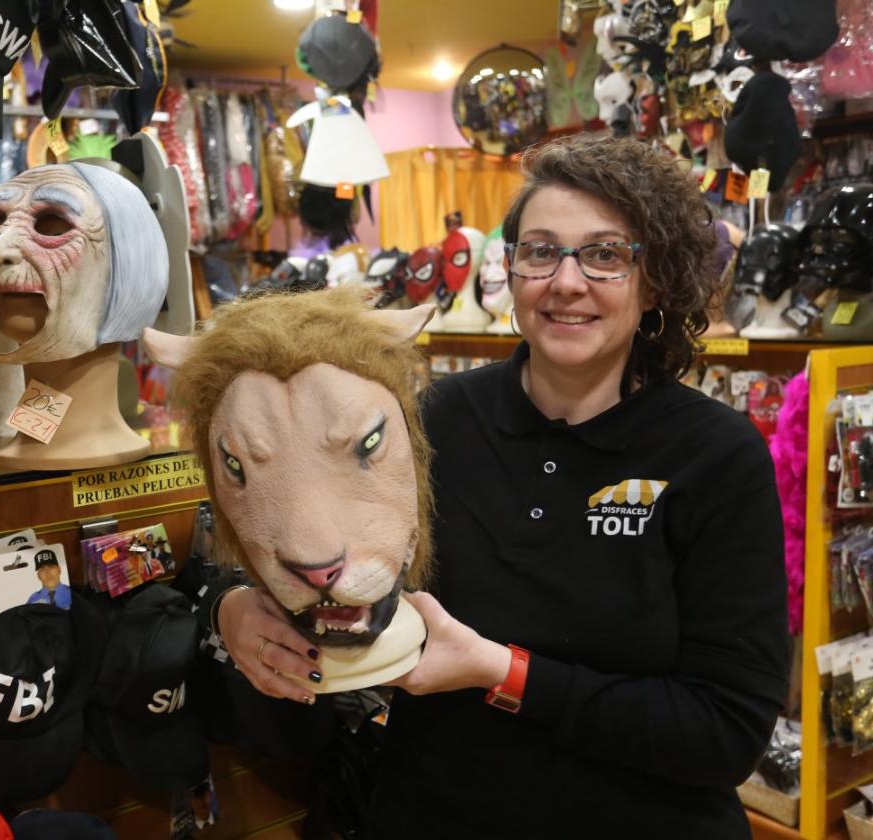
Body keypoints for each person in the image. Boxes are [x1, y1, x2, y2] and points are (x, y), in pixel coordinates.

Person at [215, 135, 788, 837]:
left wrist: (502, 672)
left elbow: (725, 733)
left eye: (605, 254)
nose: (566, 281)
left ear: (656, 281)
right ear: (511, 270)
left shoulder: (716, 455)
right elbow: (295, 531)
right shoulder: (430, 422)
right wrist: (236, 609)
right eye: (541, 251)